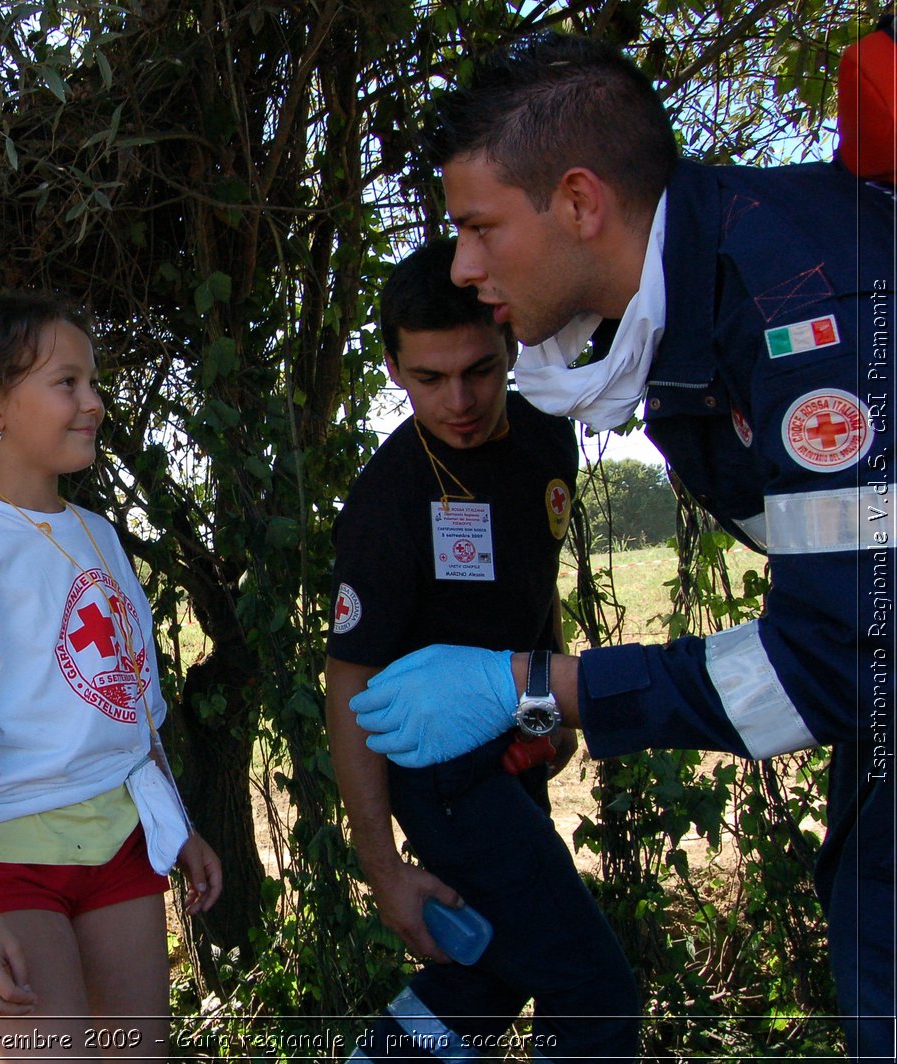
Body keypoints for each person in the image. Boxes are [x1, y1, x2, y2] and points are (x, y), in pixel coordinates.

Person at [351, 32, 896, 1060]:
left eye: (477, 227)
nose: (464, 268)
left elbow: (827, 664)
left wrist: (537, 684)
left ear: (578, 202)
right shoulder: (719, 299)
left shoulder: (808, 311)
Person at [0, 291, 221, 1059]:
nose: (93, 403)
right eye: (67, 384)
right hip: (3, 858)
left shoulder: (97, 534)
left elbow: (129, 703)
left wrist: (182, 822)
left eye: (92, 383)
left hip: (119, 841)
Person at [326, 238, 638, 1062]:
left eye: (480, 371)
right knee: (595, 991)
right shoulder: (386, 503)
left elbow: (533, 587)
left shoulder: (543, 435)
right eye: (429, 379)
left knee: (492, 970)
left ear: (510, 345)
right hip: (440, 775)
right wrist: (384, 868)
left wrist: (546, 707)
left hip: (511, 747)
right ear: (394, 367)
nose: (459, 400)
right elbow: (347, 681)